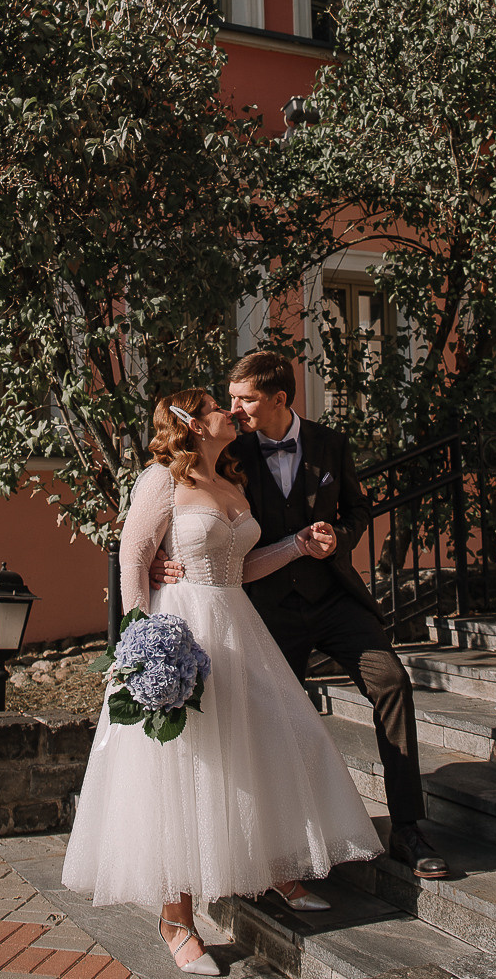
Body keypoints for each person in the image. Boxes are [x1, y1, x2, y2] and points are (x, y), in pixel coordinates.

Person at [61, 389, 384, 977]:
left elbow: (239, 567)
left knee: (267, 741)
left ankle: (270, 869)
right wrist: (141, 643)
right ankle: (175, 917)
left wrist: (295, 546)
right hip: (179, 627)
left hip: (235, 624)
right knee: (182, 768)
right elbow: (133, 558)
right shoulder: (161, 480)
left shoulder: (233, 482)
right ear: (188, 420)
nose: (228, 412)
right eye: (214, 405)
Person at [152, 350, 448, 879]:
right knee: (266, 722)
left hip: (333, 597)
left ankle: (407, 828)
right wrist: (156, 558)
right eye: (232, 399)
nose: (236, 408)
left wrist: (340, 538)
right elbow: (175, 494)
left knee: (392, 682)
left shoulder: (330, 444)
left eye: (246, 400)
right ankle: (276, 850)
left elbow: (359, 509)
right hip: (264, 609)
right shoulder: (228, 448)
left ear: (279, 400)